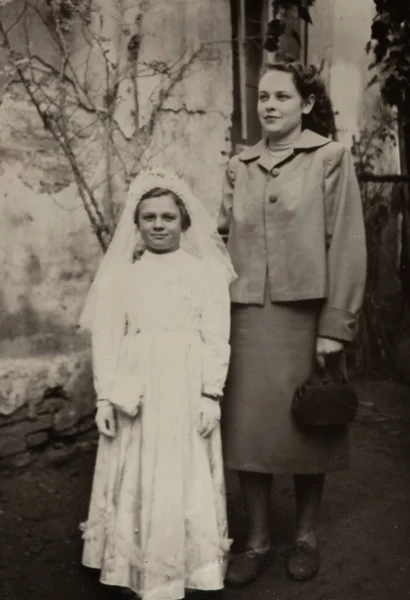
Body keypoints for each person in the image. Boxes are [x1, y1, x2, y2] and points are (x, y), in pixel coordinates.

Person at [218, 57, 367, 586]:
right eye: (263, 97)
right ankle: (256, 541)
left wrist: (336, 323)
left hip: (308, 319)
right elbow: (217, 238)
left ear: (305, 104)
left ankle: (305, 536)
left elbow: (346, 242)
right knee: (247, 433)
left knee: (312, 424)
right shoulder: (238, 165)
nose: (270, 106)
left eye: (282, 97)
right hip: (246, 319)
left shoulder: (329, 158)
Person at [79, 169, 236, 600]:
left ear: (185, 222)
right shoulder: (121, 277)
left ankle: (187, 569)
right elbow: (107, 339)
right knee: (137, 467)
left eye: (168, 217)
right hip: (137, 385)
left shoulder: (205, 274)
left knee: (181, 469)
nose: (159, 225)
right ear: (137, 223)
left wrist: (210, 394)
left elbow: (216, 336)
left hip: (186, 385)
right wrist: (105, 398)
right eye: (149, 217)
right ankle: (132, 566)